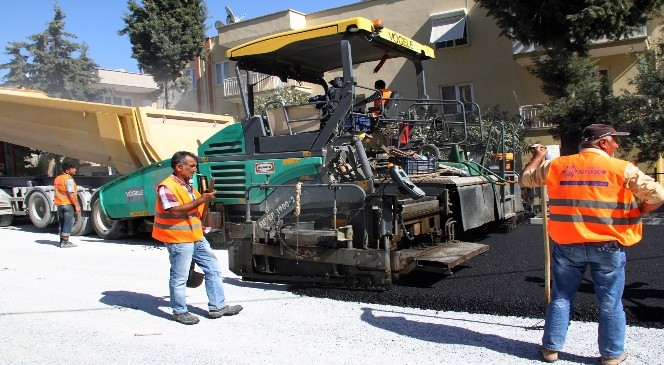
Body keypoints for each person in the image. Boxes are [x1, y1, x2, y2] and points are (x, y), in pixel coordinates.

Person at [519, 124, 664, 365]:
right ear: (603, 143)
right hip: (607, 245)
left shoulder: (557, 166)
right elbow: (658, 195)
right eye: (615, 140)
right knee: (610, 301)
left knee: (561, 297)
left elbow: (525, 180)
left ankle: (551, 350)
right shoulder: (621, 168)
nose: (617, 145)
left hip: (567, 245)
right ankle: (611, 354)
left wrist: (537, 157)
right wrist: (638, 212)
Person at [152, 151, 242, 325]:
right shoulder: (167, 187)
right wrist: (202, 199)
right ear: (179, 167)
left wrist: (203, 203)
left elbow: (194, 210)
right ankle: (179, 311)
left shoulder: (188, 185)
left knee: (213, 268)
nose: (195, 169)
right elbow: (175, 210)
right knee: (180, 276)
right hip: (178, 238)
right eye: (192, 166)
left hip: (195, 236)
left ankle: (218, 306)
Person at [53, 161, 80, 248]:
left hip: (59, 203)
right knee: (68, 222)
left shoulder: (57, 178)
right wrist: (76, 205)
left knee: (62, 222)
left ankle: (61, 240)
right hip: (68, 204)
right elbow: (71, 193)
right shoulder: (69, 180)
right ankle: (65, 241)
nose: (75, 170)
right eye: (73, 169)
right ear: (67, 171)